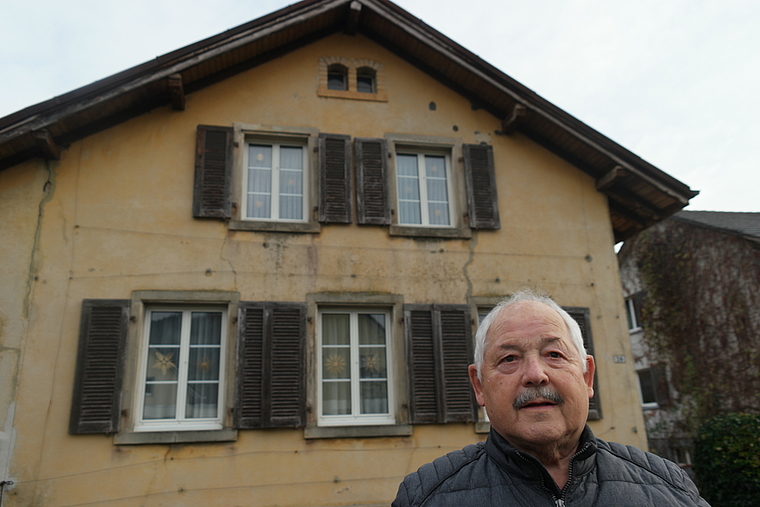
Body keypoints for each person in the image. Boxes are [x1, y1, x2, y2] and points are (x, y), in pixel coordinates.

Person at [392, 289, 709, 506]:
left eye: (554, 354)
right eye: (509, 359)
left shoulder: (670, 488)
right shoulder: (424, 497)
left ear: (587, 376)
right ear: (479, 386)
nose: (535, 374)